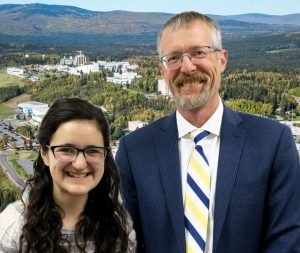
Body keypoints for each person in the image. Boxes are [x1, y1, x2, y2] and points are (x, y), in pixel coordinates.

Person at [115, 11, 300, 253]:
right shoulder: (134, 150)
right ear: (162, 70)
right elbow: (125, 241)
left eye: (198, 53)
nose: (187, 67)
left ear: (222, 60)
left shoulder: (273, 143)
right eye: (173, 58)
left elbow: (286, 240)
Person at [0, 98, 135, 253]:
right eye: (66, 149)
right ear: (44, 153)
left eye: (92, 151)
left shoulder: (118, 228)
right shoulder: (12, 229)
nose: (80, 164)